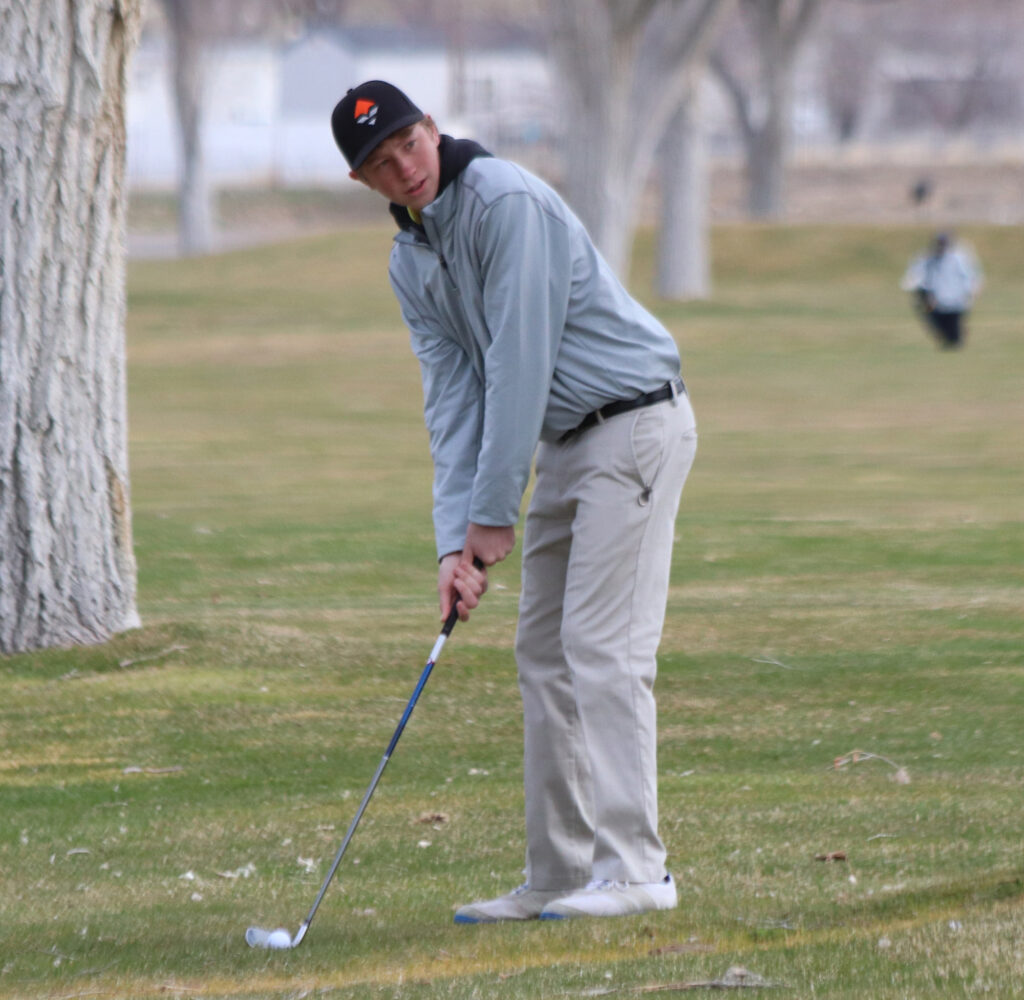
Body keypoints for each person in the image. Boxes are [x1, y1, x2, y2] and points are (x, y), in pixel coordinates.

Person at [331, 81, 698, 923]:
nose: (405, 169)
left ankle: (639, 870)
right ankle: (563, 874)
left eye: (409, 145)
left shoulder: (504, 203)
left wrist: (492, 515)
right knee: (543, 655)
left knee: (600, 648)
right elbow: (453, 400)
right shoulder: (411, 261)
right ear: (364, 183)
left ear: (432, 128)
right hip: (566, 447)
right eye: (382, 164)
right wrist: (452, 545)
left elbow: (519, 366)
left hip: (633, 426)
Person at [901, 231, 982, 349]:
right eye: (939, 243)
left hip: (955, 302)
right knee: (940, 331)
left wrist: (971, 292)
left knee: (954, 339)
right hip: (937, 303)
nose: (941, 246)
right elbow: (918, 276)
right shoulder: (928, 258)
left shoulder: (959, 258)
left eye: (943, 243)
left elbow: (969, 277)